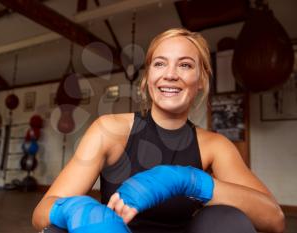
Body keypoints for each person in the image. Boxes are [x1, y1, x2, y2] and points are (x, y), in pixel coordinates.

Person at [32, 28, 285, 233]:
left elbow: (274, 219)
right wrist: (78, 211)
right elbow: (42, 212)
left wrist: (188, 181)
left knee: (226, 219)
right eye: (160, 64)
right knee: (58, 229)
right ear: (147, 79)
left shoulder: (214, 146)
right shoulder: (109, 130)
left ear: (201, 81)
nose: (171, 75)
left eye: (185, 65)